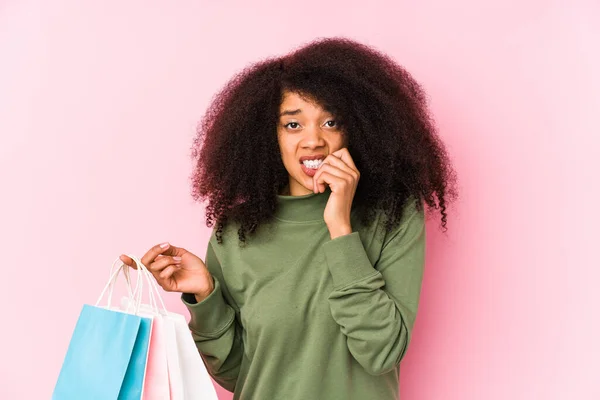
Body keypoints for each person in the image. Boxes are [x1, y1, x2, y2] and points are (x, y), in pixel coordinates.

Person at [120, 37, 458, 400]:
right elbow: (240, 375)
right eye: (293, 125)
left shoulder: (392, 216)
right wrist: (206, 294)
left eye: (330, 121)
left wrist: (341, 228)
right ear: (270, 136)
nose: (313, 141)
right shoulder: (237, 231)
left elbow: (381, 352)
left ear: (358, 127)